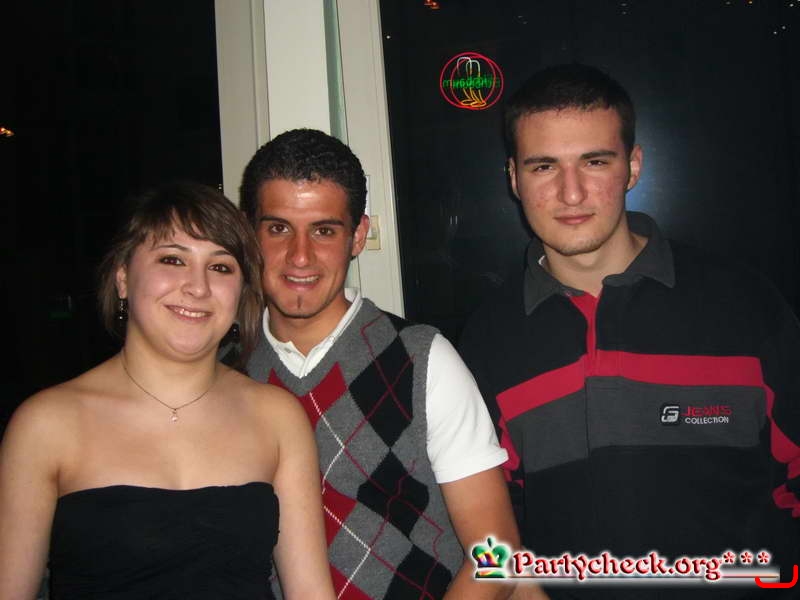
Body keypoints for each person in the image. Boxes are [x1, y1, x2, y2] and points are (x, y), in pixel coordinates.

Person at [459, 63, 800, 598]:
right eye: (544, 166)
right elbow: (492, 532)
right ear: (513, 178)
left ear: (633, 166)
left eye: (595, 162)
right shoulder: (485, 343)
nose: (572, 193)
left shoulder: (745, 306)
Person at [0, 182, 335, 599]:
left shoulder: (278, 417)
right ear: (123, 277)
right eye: (173, 259)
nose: (198, 287)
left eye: (221, 267)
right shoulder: (46, 424)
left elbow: (311, 592)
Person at [239, 129, 526, 600]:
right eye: (278, 229)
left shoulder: (421, 359)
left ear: (357, 236)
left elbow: (497, 553)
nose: (300, 255)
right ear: (249, 234)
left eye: (324, 230)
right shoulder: (229, 376)